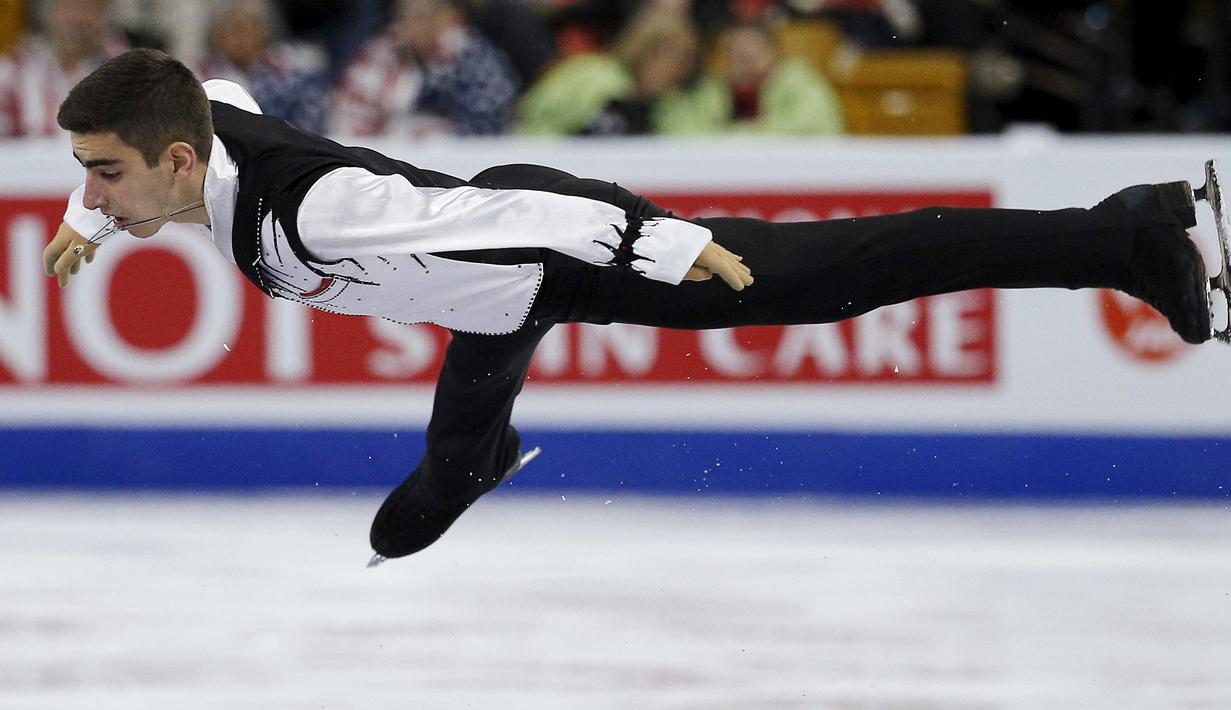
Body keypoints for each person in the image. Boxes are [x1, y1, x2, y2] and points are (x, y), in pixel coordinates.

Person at [44, 49, 1216, 563]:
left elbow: (535, 215)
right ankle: (476, 455)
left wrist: (672, 243)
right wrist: (94, 220)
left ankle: (1129, 238)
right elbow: (211, 85)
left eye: (105, 175)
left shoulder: (321, 213)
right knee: (412, 515)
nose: (91, 194)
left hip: (546, 251)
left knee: (839, 270)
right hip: (482, 301)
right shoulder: (200, 126)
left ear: (182, 164)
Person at [330, 0, 519, 137]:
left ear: (449, 16)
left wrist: (419, 132)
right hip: (384, 161)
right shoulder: (381, 53)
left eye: (424, 16)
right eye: (405, 16)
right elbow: (348, 117)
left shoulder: (474, 60)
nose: (414, 25)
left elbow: (488, 122)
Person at [197, 0, 329, 134]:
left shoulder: (289, 70)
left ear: (263, 31)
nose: (239, 39)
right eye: (231, 30)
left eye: (244, 29)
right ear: (217, 36)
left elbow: (310, 121)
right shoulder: (202, 75)